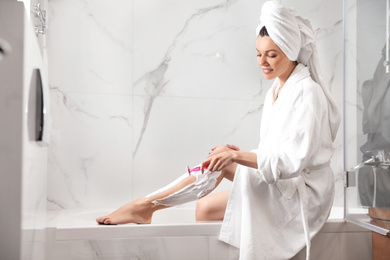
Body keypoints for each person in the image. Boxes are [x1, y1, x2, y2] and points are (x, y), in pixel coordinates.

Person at [96, 1, 340, 259]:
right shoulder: (278, 89)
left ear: (290, 52)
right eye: (258, 54)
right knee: (204, 209)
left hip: (303, 193)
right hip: (281, 181)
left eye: (272, 54)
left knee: (221, 163)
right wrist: (236, 153)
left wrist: (236, 157)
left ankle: (144, 206)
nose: (262, 62)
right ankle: (148, 207)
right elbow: (276, 149)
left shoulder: (307, 93)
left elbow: (291, 161)